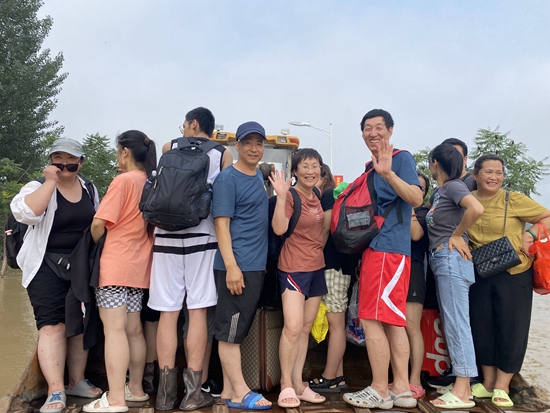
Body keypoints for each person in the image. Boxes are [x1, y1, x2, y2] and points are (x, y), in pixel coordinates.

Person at [147, 107, 232, 411]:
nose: (182, 129)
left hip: (165, 236)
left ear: (193, 123)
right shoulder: (222, 154)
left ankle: (165, 395)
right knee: (197, 312)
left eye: (184, 124)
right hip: (202, 237)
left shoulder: (168, 147)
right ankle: (193, 393)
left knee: (168, 313)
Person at [10, 138, 102, 413]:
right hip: (44, 264)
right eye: (58, 159)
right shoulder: (36, 187)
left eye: (71, 160)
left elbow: (97, 223)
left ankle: (76, 380)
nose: (64, 165)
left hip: (80, 264)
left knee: (80, 323)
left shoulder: (89, 188)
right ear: (50, 161)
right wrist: (50, 182)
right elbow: (27, 214)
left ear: (81, 163)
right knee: (52, 325)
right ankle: (55, 389)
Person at [343, 109, 423, 410]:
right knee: (391, 322)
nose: (373, 133)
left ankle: (379, 389)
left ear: (390, 131)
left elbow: (416, 198)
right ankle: (400, 388)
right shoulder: (370, 166)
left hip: (388, 250)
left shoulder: (400, 158)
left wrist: (388, 172)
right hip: (379, 249)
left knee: (370, 318)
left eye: (379, 127)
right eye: (367, 128)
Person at [468, 154, 550, 407]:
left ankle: (502, 386)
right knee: (482, 326)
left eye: (499, 172)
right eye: (488, 171)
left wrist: (531, 234)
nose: (494, 177)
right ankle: (488, 383)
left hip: (514, 272)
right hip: (481, 271)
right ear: (475, 174)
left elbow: (547, 217)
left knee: (512, 327)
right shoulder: (466, 200)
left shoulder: (512, 199)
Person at [84, 130, 157, 413]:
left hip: (115, 266)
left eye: (117, 151)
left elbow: (98, 224)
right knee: (134, 330)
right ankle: (135, 389)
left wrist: (91, 247)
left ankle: (115, 399)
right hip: (139, 268)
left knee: (114, 331)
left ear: (125, 152)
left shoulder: (123, 181)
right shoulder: (151, 181)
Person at [212, 121, 272, 410]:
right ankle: (240, 392)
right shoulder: (227, 179)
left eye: (258, 143)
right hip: (237, 265)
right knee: (230, 332)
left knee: (237, 331)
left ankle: (228, 390)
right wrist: (232, 267)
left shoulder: (258, 175)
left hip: (253, 265)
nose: (253, 148)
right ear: (237, 146)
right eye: (247, 143)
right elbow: (221, 225)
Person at [425, 143, 484, 409]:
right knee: (453, 322)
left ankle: (462, 391)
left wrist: (457, 234)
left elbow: (476, 209)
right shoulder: (439, 192)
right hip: (442, 260)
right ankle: (463, 385)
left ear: (435, 163)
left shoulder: (454, 187)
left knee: (457, 323)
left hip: (451, 259)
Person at [270, 149, 327, 408]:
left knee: (305, 328)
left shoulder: (317, 194)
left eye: (314, 166)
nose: (310, 171)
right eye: (305, 166)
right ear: (295, 171)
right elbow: (279, 228)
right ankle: (286, 384)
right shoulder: (292, 196)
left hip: (316, 268)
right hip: (293, 268)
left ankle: (299, 383)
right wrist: (281, 196)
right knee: (292, 328)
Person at [308, 164, 356, 393]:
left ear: (323, 177)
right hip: (342, 267)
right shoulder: (338, 197)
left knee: (336, 325)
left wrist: (314, 254)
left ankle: (329, 376)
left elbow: (325, 229)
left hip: (332, 267)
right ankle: (338, 376)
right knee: (336, 323)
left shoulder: (328, 195)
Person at [405, 171, 431, 398]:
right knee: (392, 326)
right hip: (392, 268)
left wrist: (410, 206)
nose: (414, 189)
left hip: (413, 270)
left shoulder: (423, 214)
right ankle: (398, 377)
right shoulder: (394, 208)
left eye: (419, 188)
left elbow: (415, 235)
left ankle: (414, 379)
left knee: (412, 326)